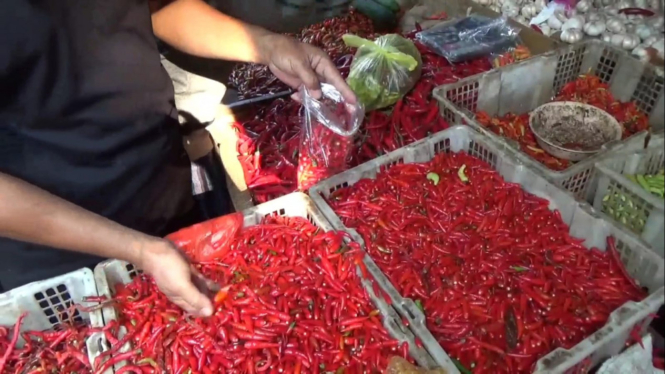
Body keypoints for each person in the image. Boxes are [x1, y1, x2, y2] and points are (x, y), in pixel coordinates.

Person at [0, 0, 355, 317]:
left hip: (165, 199)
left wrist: (267, 45)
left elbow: (161, 10)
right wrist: (139, 250)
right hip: (63, 263)